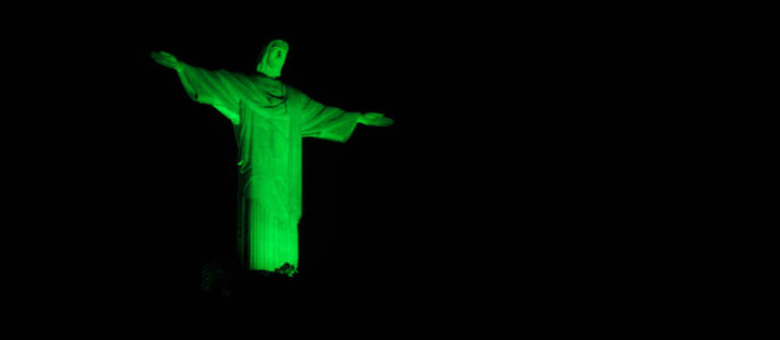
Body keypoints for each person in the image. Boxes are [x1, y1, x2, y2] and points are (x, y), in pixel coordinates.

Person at [151, 39, 393, 275]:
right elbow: (215, 83)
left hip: (286, 173)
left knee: (286, 219)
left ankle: (284, 277)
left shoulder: (295, 98)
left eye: (284, 54)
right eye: (276, 51)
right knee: (257, 211)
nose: (280, 56)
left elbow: (323, 113)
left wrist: (357, 118)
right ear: (264, 57)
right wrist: (182, 68)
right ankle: (258, 280)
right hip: (258, 167)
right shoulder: (244, 86)